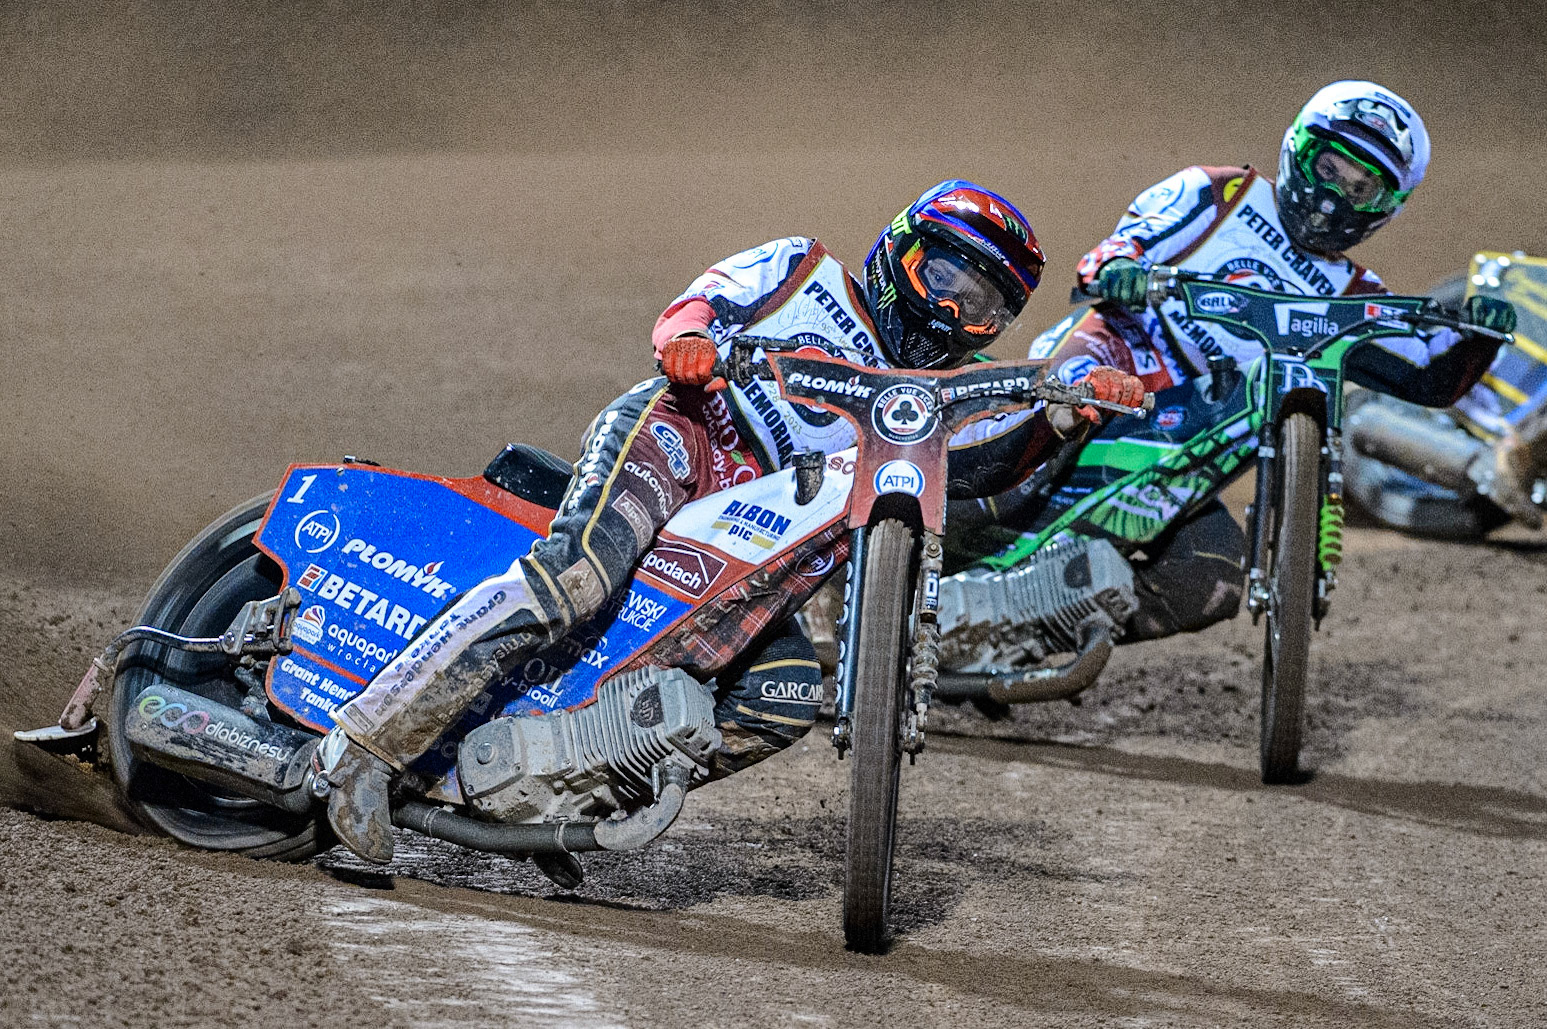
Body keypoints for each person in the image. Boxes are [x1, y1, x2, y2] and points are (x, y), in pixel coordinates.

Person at [321, 179, 1147, 862]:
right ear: (899, 253)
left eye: (985, 310)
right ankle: (363, 747)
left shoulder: (941, 400)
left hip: (758, 558)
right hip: (684, 439)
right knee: (573, 578)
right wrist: (688, 340)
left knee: (783, 698)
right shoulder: (800, 270)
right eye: (945, 279)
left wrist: (1072, 410)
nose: (954, 314)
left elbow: (997, 458)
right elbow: (698, 303)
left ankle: (556, 789)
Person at [960, 81, 1517, 645]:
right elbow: (1115, 252)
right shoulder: (1218, 193)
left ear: (1385, 207)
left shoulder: (1354, 294)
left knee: (1215, 573)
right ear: (1299, 151)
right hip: (1119, 357)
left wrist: (1482, 335)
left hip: (1191, 437)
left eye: (1361, 187)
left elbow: (1427, 377)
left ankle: (1024, 635)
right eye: (1330, 167)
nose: (1334, 198)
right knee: (1073, 399)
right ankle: (956, 516)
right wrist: (1121, 270)